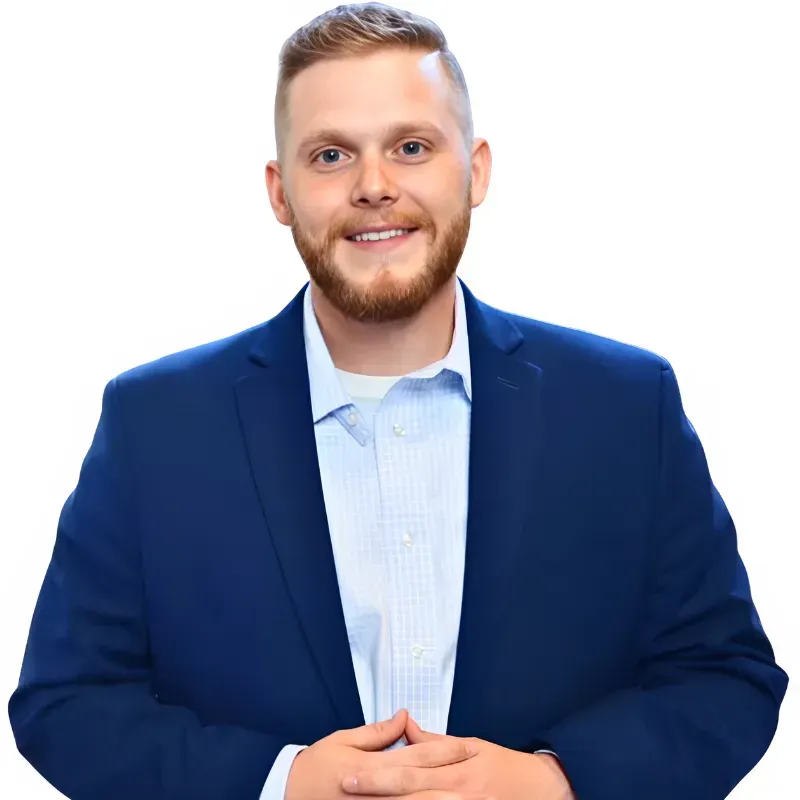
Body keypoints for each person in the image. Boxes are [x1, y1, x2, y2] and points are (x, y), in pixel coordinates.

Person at [8, 3, 788, 799]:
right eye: (331, 154)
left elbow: (725, 679)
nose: (374, 186)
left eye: (411, 147)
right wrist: (279, 784)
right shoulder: (155, 426)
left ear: (475, 171)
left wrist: (557, 782)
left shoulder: (627, 408)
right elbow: (66, 704)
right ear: (280, 192)